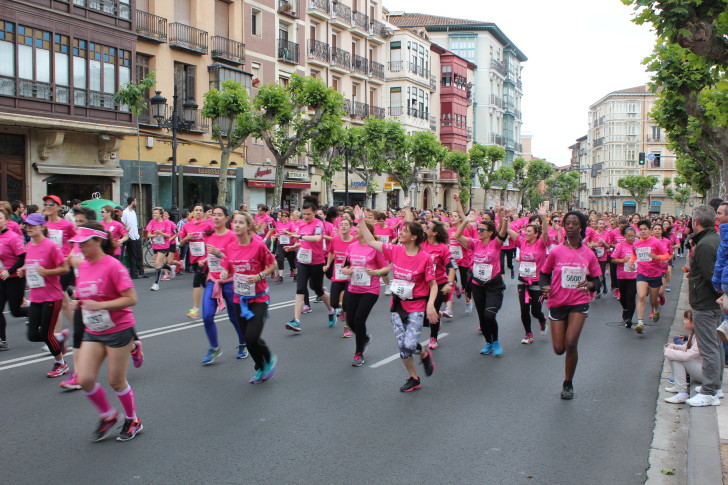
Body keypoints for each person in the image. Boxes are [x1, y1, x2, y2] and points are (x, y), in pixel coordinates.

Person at [71, 223, 143, 441]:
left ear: (98, 241)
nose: (80, 247)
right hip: (93, 329)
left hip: (118, 329)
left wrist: (100, 305)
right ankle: (108, 415)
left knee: (116, 381)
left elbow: (131, 299)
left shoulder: (113, 266)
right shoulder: (83, 266)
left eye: (85, 242)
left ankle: (133, 420)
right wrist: (79, 302)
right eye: (78, 243)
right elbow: (87, 294)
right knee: (85, 379)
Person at [355, 207, 437, 392]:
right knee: (402, 347)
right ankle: (413, 378)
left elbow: (433, 285)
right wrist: (360, 219)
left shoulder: (425, 258)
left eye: (405, 231)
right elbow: (369, 240)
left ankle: (424, 353)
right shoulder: (395, 250)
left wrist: (431, 305)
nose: (401, 233)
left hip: (416, 306)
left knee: (409, 344)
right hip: (397, 305)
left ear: (414, 237)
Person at [540, 210, 602, 400]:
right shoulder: (556, 252)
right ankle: (567, 369)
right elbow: (544, 273)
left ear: (581, 226)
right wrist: (545, 286)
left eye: (575, 223)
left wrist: (589, 284)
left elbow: (598, 282)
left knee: (571, 342)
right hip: (557, 301)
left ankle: (568, 382)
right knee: (559, 349)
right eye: (567, 223)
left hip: (579, 302)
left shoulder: (588, 254)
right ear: (563, 226)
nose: (571, 227)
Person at [219, 212, 278, 384]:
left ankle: (268, 357)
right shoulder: (230, 247)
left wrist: (260, 276)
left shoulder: (258, 246)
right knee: (247, 337)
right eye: (234, 222)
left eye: (240, 223)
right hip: (240, 298)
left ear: (248, 226)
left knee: (252, 336)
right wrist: (225, 272)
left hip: (259, 297)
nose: (236, 225)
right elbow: (228, 268)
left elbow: (272, 264)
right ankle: (260, 366)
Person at [454, 206, 512, 356]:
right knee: (482, 318)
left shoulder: (496, 243)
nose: (478, 232)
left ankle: (496, 341)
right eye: (478, 229)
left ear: (490, 232)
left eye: (481, 230)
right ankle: (488, 342)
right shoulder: (475, 243)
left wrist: (504, 219)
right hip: (478, 285)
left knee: (489, 315)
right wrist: (465, 220)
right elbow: (457, 236)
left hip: (493, 285)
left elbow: (503, 233)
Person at [18, 213, 71, 377]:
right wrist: (24, 270)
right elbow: (32, 265)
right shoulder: (30, 246)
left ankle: (61, 364)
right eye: (27, 225)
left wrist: (47, 272)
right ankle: (59, 338)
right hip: (36, 296)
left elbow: (64, 268)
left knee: (46, 335)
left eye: (33, 225)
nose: (29, 228)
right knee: (33, 335)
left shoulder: (51, 246)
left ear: (42, 226)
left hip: (52, 296)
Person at [199, 205, 248, 364]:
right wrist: (205, 260)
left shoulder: (233, 236)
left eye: (219, 215)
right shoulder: (210, 237)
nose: (215, 217)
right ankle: (214, 348)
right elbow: (212, 256)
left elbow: (237, 258)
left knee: (235, 317)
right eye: (213, 215)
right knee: (206, 316)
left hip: (230, 282)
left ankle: (243, 343)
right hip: (213, 281)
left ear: (227, 219)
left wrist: (218, 253)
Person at [685, 205, 723, 407]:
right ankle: (715, 386)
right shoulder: (712, 240)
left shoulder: (707, 244)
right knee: (715, 346)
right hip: (710, 303)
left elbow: (711, 277)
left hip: (706, 304)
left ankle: (710, 391)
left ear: (696, 222)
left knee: (709, 348)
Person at [283, 196, 334, 332]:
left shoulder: (318, 224)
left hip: (317, 262)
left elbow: (317, 238)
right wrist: (294, 247)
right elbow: (304, 242)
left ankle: (331, 310)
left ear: (315, 212)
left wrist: (299, 237)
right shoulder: (301, 224)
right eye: (303, 214)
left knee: (317, 289)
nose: (305, 217)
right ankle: (297, 320)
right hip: (303, 261)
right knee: (300, 289)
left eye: (308, 214)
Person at [342, 218, 388, 366]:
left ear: (366, 231)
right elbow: (345, 265)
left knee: (359, 320)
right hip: (353, 287)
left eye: (358, 228)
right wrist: (346, 271)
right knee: (349, 321)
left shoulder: (375, 248)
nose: (355, 230)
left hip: (370, 289)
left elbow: (387, 268)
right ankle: (365, 338)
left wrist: (376, 272)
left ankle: (358, 353)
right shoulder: (351, 247)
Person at [509, 203, 549, 344]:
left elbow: (545, 233)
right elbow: (508, 230)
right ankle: (528, 334)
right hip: (523, 282)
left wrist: (543, 218)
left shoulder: (541, 243)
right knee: (524, 310)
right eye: (525, 231)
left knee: (535, 312)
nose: (526, 234)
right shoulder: (522, 242)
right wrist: (503, 217)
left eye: (529, 232)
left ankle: (542, 320)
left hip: (538, 283)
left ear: (536, 234)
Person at [631, 220, 670, 334]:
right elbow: (634, 254)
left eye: (645, 229)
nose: (643, 231)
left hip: (655, 273)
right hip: (642, 273)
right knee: (642, 296)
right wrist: (631, 262)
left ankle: (656, 309)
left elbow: (666, 255)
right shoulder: (636, 243)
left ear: (650, 230)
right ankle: (640, 322)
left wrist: (657, 257)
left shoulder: (655, 242)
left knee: (653, 299)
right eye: (641, 229)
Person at [179, 204, 213, 318]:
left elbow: (213, 241)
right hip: (193, 258)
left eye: (200, 210)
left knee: (196, 282)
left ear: (203, 213)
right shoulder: (187, 226)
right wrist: (186, 238)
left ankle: (195, 309)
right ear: (192, 213)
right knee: (205, 284)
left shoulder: (208, 225)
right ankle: (215, 300)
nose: (198, 212)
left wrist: (206, 258)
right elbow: (181, 243)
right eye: (196, 210)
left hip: (204, 259)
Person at [0, 209, 27, 350]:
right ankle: (2, 340)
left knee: (15, 311)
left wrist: (9, 271)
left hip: (15, 278)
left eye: (0, 218)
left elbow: (23, 257)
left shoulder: (12, 237)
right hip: (1, 279)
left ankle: (34, 314)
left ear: (6, 220)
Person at [664, 310, 704, 404]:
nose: (684, 321)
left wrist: (669, 351)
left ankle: (682, 393)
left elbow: (688, 355)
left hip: (705, 372)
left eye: (686, 319)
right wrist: (673, 346)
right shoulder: (693, 333)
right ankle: (678, 386)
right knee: (674, 353)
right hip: (699, 367)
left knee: (679, 358)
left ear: (694, 323)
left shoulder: (700, 336)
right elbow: (685, 347)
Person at [323, 219, 355, 334]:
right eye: (341, 225)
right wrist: (328, 265)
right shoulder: (335, 239)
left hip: (350, 276)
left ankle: (347, 328)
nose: (343, 226)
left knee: (346, 303)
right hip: (337, 274)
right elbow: (331, 252)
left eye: (346, 224)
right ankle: (341, 310)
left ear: (351, 227)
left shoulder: (355, 241)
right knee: (334, 303)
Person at [610, 226, 638, 328]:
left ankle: (629, 318)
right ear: (624, 236)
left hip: (634, 276)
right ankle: (625, 309)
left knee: (631, 296)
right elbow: (613, 259)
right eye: (628, 236)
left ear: (635, 236)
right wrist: (622, 260)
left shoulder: (638, 245)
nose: (631, 238)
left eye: (632, 236)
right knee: (623, 297)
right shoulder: (620, 245)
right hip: (622, 275)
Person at [145, 207, 174, 291]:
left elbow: (169, 235)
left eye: (156, 213)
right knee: (159, 263)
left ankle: (156, 284)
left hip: (164, 245)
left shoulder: (166, 223)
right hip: (155, 246)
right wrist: (154, 235)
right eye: (153, 213)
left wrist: (160, 233)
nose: (154, 215)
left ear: (160, 214)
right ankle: (171, 268)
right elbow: (148, 235)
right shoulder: (151, 222)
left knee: (157, 263)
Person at [121, 197, 146, 279]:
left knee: (139, 254)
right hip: (130, 236)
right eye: (135, 201)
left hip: (136, 235)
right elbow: (123, 224)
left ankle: (141, 271)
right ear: (132, 202)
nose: (136, 203)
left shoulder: (134, 212)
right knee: (132, 255)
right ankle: (134, 273)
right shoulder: (125, 212)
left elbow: (135, 224)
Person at [272, 211, 298, 283]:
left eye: (285, 216)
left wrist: (287, 232)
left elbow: (294, 233)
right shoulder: (278, 224)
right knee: (280, 259)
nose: (283, 217)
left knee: (291, 261)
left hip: (290, 244)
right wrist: (275, 236)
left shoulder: (291, 224)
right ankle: (281, 276)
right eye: (282, 216)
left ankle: (296, 274)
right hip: (280, 244)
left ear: (288, 217)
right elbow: (277, 233)